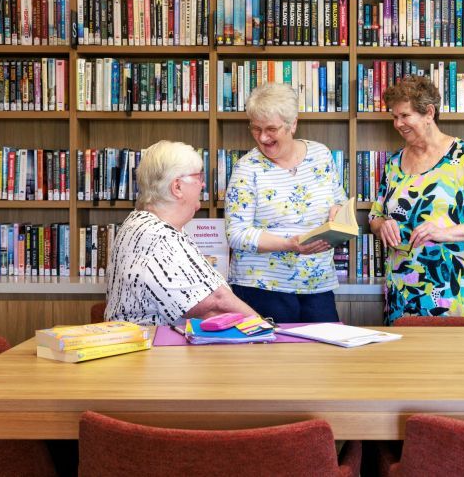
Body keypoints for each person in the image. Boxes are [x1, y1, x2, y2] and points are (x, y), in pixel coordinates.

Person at [369, 75, 464, 325]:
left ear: (429, 112)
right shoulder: (393, 163)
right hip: (403, 293)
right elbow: (375, 216)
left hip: (456, 292)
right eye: (394, 117)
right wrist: (382, 225)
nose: (398, 124)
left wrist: (444, 232)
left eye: (405, 115)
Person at [225, 82, 348, 323]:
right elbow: (236, 234)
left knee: (325, 359)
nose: (262, 137)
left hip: (318, 285)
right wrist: (288, 244)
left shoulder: (321, 155)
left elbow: (339, 200)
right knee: (273, 360)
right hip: (262, 288)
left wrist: (338, 212)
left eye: (271, 129)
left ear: (293, 124)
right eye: (256, 128)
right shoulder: (246, 169)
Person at [106, 140, 257, 325]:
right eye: (199, 177)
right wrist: (263, 328)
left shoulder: (139, 222)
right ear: (177, 187)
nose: (203, 185)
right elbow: (215, 303)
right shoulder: (159, 237)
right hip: (155, 349)